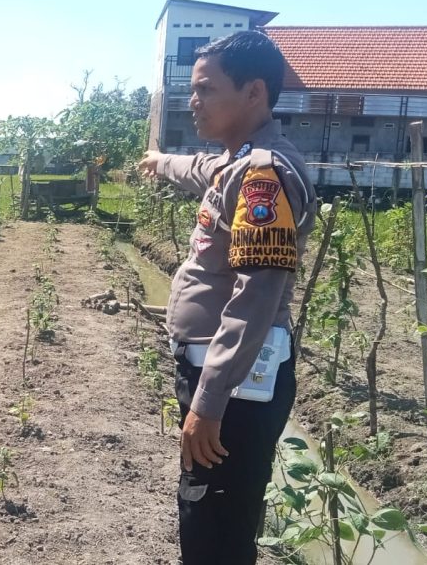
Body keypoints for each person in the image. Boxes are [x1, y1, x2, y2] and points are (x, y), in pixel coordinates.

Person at [137, 31, 318, 564]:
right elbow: (198, 170)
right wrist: (159, 160)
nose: (192, 100)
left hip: (234, 388)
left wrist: (208, 402)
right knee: (210, 513)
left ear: (253, 92)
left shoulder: (263, 176)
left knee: (215, 522)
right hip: (225, 380)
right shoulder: (237, 162)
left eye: (206, 89)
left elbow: (255, 297)